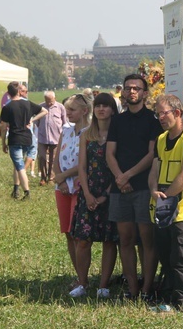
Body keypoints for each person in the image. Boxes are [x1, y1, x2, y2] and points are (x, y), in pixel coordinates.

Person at [106, 73, 163, 300]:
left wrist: (127, 175)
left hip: (143, 187)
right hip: (120, 188)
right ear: (123, 92)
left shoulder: (152, 120)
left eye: (137, 88)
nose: (132, 92)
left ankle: (148, 289)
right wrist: (120, 177)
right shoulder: (117, 121)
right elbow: (110, 153)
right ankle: (132, 288)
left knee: (147, 240)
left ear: (145, 93)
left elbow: (152, 154)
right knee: (125, 239)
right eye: (128, 88)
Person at [148, 94, 183, 313]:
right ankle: (167, 300)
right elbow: (154, 168)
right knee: (164, 254)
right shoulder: (161, 139)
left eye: (164, 113)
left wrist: (168, 196)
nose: (160, 117)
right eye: (158, 113)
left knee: (181, 256)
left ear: (177, 113)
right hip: (161, 206)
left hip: (180, 208)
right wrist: (154, 189)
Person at [70, 93, 120, 298]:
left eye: (106, 106)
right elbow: (81, 166)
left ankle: (103, 285)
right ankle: (82, 283)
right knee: (83, 240)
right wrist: (88, 194)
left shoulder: (118, 135)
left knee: (110, 240)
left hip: (111, 191)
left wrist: (106, 195)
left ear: (112, 110)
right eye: (98, 105)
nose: (101, 109)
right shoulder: (86, 135)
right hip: (88, 192)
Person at [54, 93, 91, 286]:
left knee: (79, 234)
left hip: (79, 187)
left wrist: (64, 176)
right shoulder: (65, 130)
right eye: (67, 109)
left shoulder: (90, 132)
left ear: (84, 111)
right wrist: (59, 179)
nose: (67, 113)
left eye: (72, 110)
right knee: (68, 233)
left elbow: (85, 162)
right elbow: (57, 156)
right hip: (62, 188)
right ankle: (79, 276)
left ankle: (84, 278)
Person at [0, 81, 48, 200]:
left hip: (15, 138)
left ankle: (27, 193)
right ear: (19, 92)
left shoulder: (7, 107)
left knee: (20, 167)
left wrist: (3, 143)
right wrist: (32, 120)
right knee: (17, 165)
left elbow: (4, 127)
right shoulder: (27, 104)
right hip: (28, 138)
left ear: (8, 93)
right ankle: (15, 190)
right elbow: (44, 111)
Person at [35, 90, 68, 185]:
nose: (49, 103)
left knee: (53, 159)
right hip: (42, 137)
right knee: (42, 157)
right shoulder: (40, 107)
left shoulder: (60, 107)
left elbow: (64, 122)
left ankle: (51, 178)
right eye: (47, 100)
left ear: (55, 98)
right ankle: (43, 177)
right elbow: (37, 122)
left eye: (51, 101)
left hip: (56, 137)